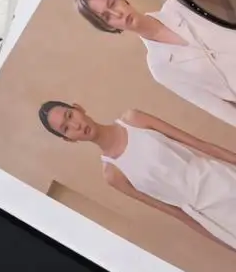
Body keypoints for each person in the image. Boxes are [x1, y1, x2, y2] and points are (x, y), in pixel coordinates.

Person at [38, 100, 236, 252]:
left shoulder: (133, 120)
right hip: (211, 215)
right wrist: (225, 241)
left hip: (221, 180)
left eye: (70, 115)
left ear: (78, 108)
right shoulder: (113, 175)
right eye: (66, 128)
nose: (75, 126)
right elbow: (177, 213)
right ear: (68, 140)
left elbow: (203, 146)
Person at [75, 0, 236, 127]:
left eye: (112, 4)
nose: (117, 14)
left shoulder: (177, 5)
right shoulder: (159, 67)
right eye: (107, 17)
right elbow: (213, 106)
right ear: (109, 27)